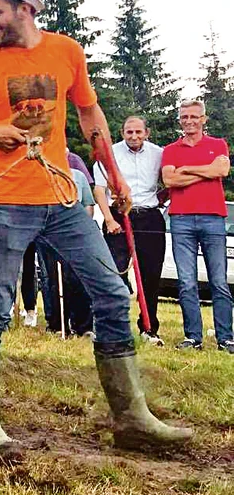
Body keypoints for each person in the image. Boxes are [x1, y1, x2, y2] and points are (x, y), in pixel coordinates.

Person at [0, 0, 191, 451]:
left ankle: (132, 417)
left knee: (113, 294)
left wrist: (113, 176)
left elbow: (89, 114)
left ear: (26, 8)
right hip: (2, 200)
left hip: (62, 199)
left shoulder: (67, 51)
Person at [161, 99, 233, 353]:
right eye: (184, 117)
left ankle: (226, 338)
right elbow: (169, 178)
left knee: (219, 281)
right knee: (187, 282)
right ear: (180, 120)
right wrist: (206, 170)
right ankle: (193, 337)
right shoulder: (170, 149)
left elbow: (221, 171)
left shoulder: (218, 144)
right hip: (180, 218)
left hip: (213, 218)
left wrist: (188, 169)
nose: (189, 121)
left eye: (193, 116)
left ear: (204, 119)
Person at [92, 115, 166, 345]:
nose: (133, 136)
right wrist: (109, 219)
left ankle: (148, 328)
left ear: (147, 133)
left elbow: (170, 180)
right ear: (122, 133)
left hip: (149, 217)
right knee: (114, 273)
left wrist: (162, 202)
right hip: (118, 216)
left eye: (138, 132)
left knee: (150, 276)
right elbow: (99, 190)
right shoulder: (109, 154)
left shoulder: (159, 154)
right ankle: (112, 327)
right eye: (129, 132)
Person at [38, 161, 95, 337]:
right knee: (54, 281)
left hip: (75, 234)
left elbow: (88, 204)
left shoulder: (78, 175)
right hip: (48, 234)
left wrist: (82, 229)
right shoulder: (39, 175)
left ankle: (84, 326)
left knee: (79, 280)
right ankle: (57, 325)